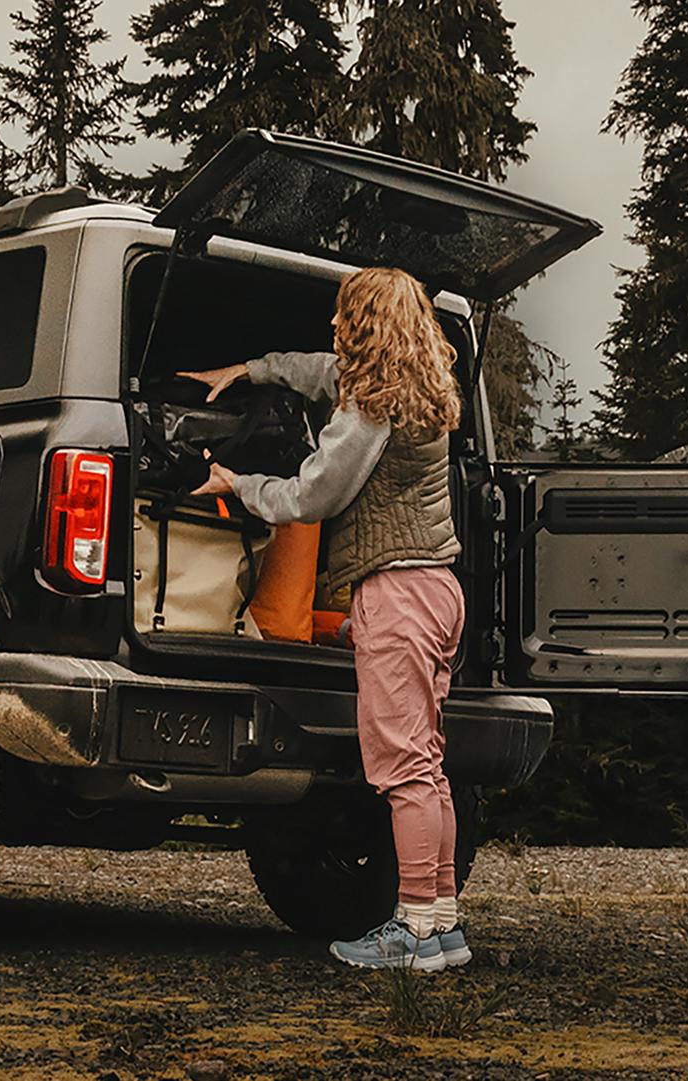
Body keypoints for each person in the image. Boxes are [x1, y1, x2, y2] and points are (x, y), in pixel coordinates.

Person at [181, 266, 469, 971]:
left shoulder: (369, 413)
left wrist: (238, 484)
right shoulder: (421, 388)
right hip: (438, 589)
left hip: (397, 596)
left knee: (402, 772)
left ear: (368, 324)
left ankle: (413, 932)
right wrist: (250, 369)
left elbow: (312, 495)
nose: (335, 327)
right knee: (427, 770)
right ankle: (442, 925)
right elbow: (321, 371)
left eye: (345, 317)